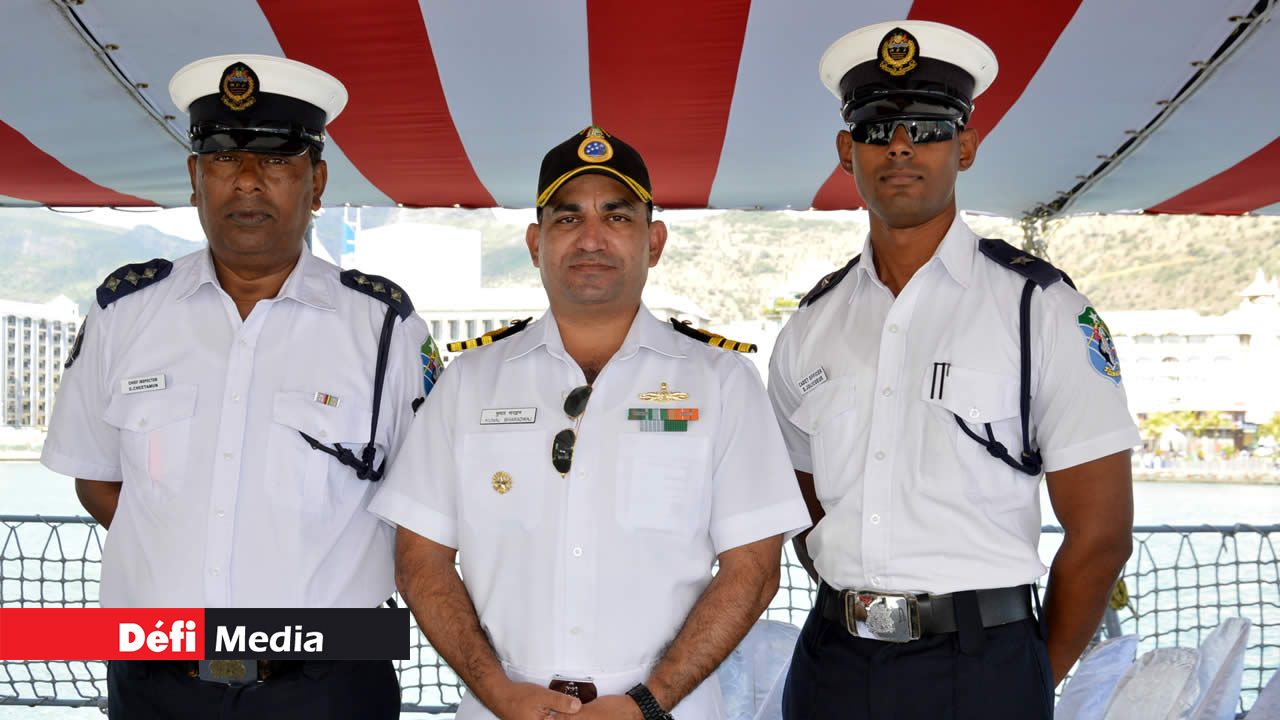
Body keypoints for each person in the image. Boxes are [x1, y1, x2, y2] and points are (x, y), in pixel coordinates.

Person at [40, 54, 436, 719]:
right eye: (223, 158)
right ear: (195, 180)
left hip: (330, 687)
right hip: (157, 684)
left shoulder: (385, 328)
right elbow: (98, 479)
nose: (247, 181)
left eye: (278, 160)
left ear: (317, 183)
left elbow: (427, 508)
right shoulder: (124, 313)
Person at [371, 125, 811, 720]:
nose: (592, 239)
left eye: (618, 216)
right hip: (503, 709)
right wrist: (497, 691)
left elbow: (753, 570)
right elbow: (419, 559)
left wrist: (648, 703)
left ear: (654, 241)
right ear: (536, 242)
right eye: (568, 217)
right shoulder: (468, 381)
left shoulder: (721, 382)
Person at [769, 22, 1141, 718]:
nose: (901, 147)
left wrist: (1027, 675)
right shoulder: (810, 325)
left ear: (965, 147)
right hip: (832, 664)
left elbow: (1102, 536)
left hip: (982, 666)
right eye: (878, 129)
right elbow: (803, 500)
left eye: (929, 127)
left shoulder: (1043, 310)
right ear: (848, 151)